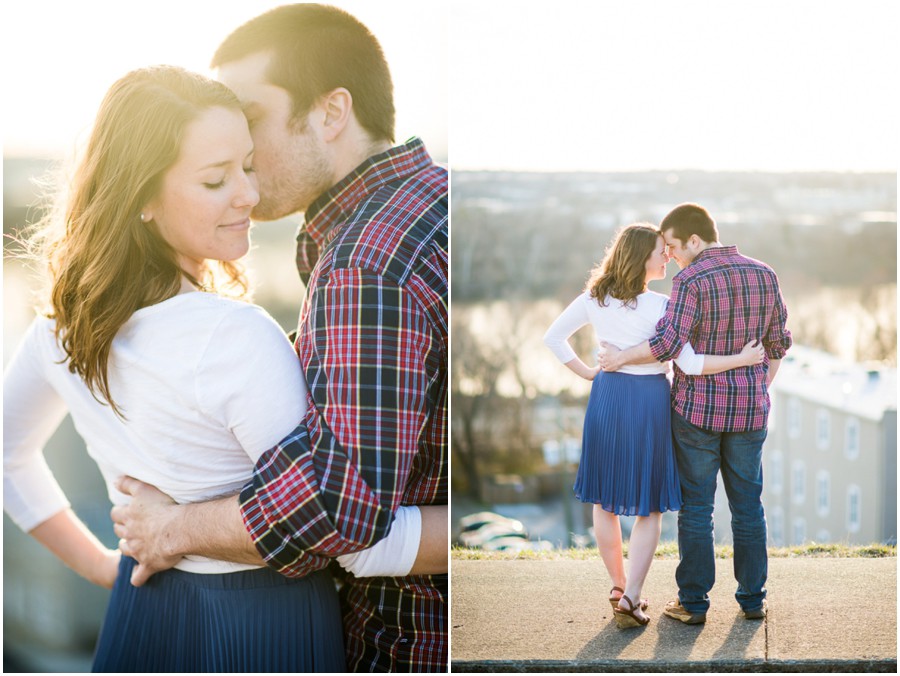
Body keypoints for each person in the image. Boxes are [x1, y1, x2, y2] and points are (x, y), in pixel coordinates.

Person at [2, 64, 434, 673]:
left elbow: (6, 455)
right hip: (264, 625)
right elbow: (347, 532)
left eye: (249, 167)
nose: (250, 197)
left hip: (140, 614)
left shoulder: (59, 328)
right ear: (142, 198)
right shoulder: (238, 336)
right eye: (215, 180)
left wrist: (105, 565)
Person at [110, 5, 449, 672]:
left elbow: (335, 504)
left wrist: (171, 529)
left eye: (250, 119)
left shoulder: (365, 263)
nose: (231, 145)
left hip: (402, 646)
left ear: (330, 113)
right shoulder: (433, 202)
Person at [544, 223, 764, 629]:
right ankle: (631, 597)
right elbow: (692, 364)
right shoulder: (664, 306)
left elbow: (554, 338)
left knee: (604, 500)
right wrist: (743, 359)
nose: (668, 257)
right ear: (641, 257)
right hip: (648, 403)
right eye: (661, 251)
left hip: (607, 398)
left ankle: (618, 586)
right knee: (649, 507)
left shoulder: (594, 298)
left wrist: (591, 374)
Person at [599, 204, 792, 625]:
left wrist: (619, 358)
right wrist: (759, 388)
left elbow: (667, 344)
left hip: (697, 415)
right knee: (748, 507)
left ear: (693, 240)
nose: (670, 257)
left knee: (697, 510)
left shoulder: (692, 279)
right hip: (750, 414)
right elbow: (779, 344)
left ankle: (693, 604)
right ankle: (752, 600)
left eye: (672, 246)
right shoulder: (765, 273)